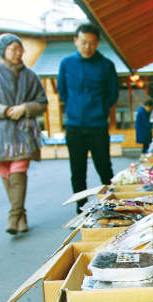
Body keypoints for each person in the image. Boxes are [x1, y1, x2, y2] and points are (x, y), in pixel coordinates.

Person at [0, 33, 47, 235]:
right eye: (12, 49)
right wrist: (5, 110)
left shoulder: (30, 75)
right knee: (7, 175)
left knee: (18, 173)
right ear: (3, 51)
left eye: (20, 49)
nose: (17, 53)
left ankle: (13, 216)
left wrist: (25, 108)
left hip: (24, 133)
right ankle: (21, 215)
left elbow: (42, 103)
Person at [57, 23, 118, 213]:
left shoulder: (106, 65)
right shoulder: (66, 64)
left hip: (97, 125)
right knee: (77, 170)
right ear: (75, 41)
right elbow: (62, 91)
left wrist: (99, 109)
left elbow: (112, 94)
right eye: (83, 42)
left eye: (92, 43)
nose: (87, 47)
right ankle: (81, 209)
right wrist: (75, 108)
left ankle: (113, 204)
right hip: (74, 126)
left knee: (104, 168)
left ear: (97, 43)